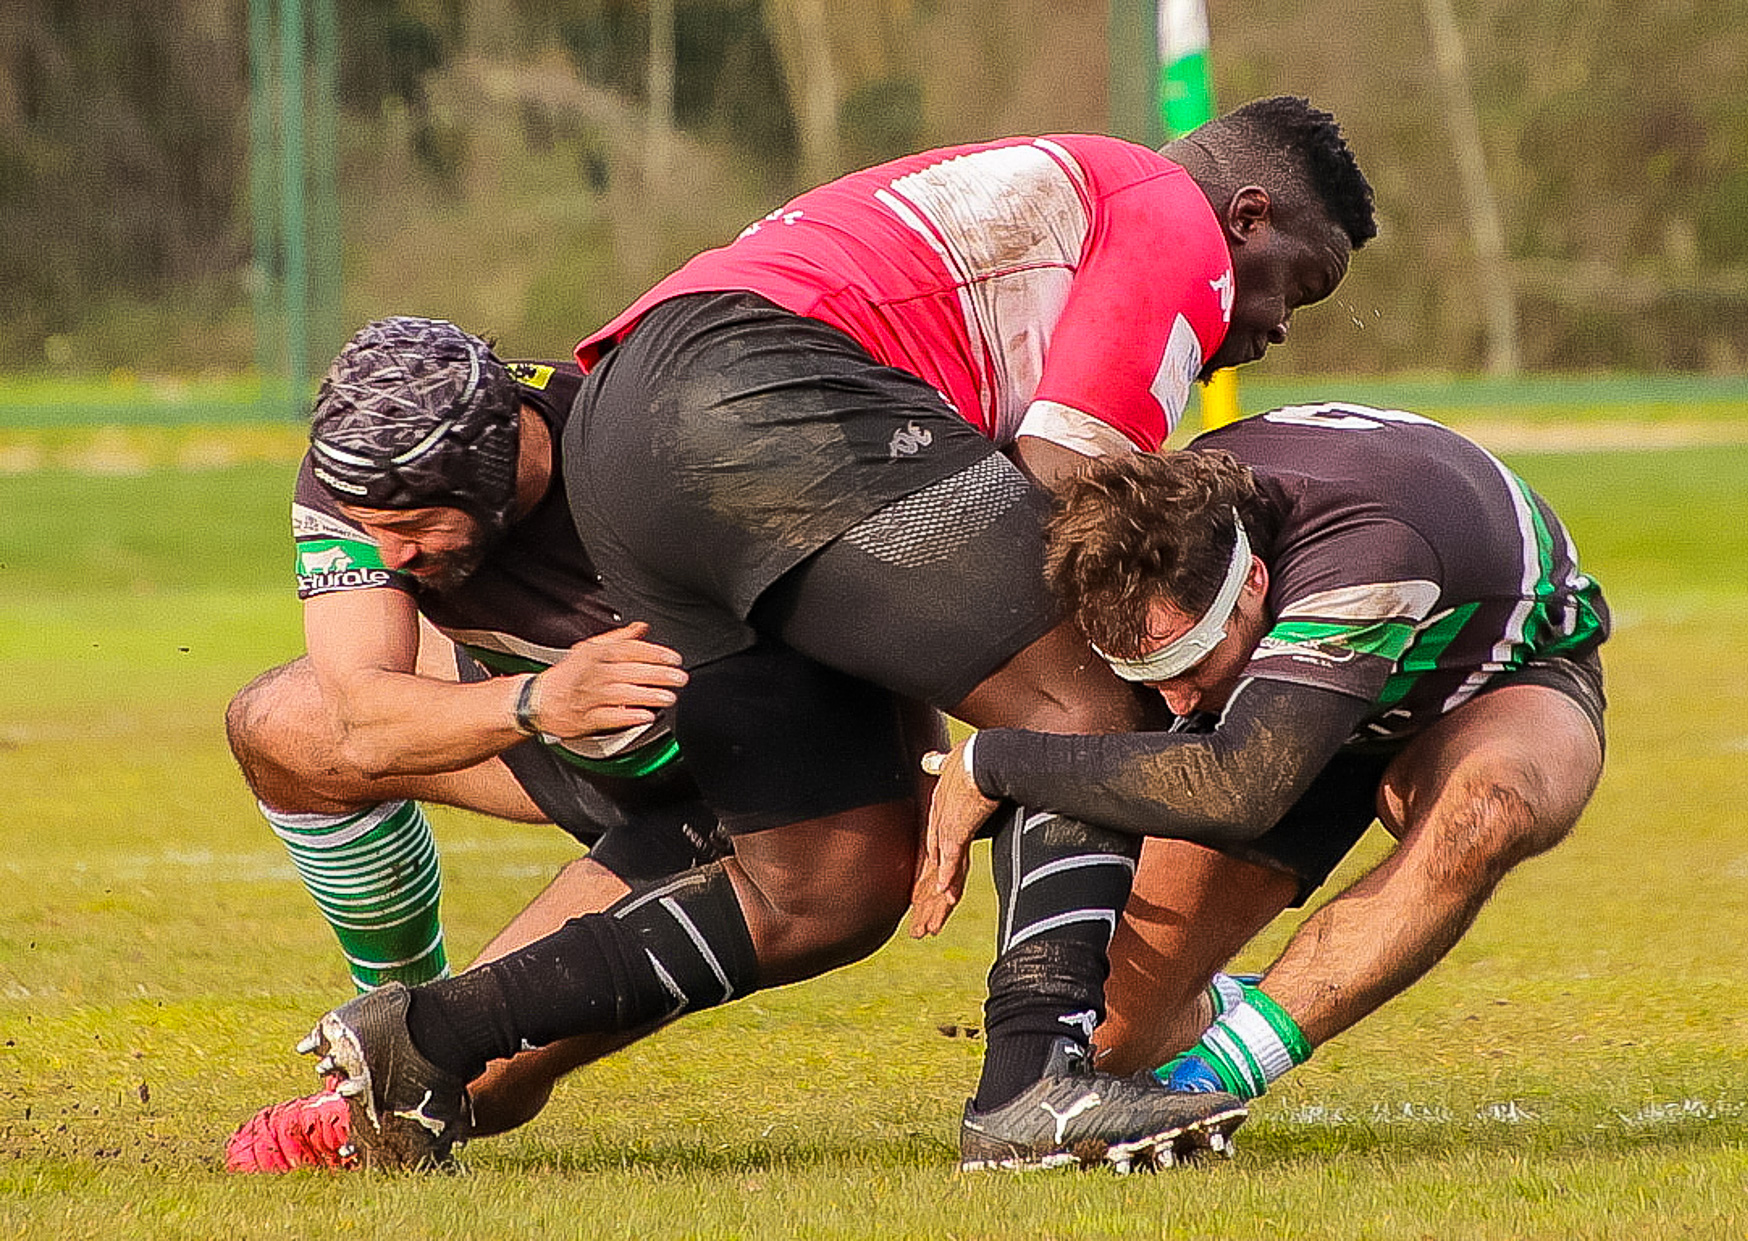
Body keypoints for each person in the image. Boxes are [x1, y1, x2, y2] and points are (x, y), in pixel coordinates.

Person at [261, 96, 1378, 1174]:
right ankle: (1035, 1083)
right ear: (1247, 213)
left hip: (637, 430)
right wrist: (1243, 648)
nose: (1279, 321)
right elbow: (1073, 479)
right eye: (1300, 282)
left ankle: (430, 1034)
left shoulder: (1077, 185)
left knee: (831, 884)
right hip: (762, 395)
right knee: (1096, 687)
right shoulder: (1168, 213)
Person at [912, 403, 1609, 1116]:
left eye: (1190, 661)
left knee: (1487, 807)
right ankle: (1287, 985)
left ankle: (1211, 1080)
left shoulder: (1366, 551)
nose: (1178, 701)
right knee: (1116, 1041)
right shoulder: (1163, 534)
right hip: (1284, 706)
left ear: (1253, 582)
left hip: (1489, 681)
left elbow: (1243, 787)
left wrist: (993, 763)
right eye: (1146, 674)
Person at [224, 316, 739, 1170]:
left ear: (494, 471)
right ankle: (388, 1002)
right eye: (370, 525)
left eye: (418, 524)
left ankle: (434, 1035)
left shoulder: (635, 447)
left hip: (714, 792)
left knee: (472, 1083)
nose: (391, 552)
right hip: (554, 736)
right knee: (282, 726)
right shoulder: (362, 472)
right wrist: (540, 700)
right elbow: (362, 716)